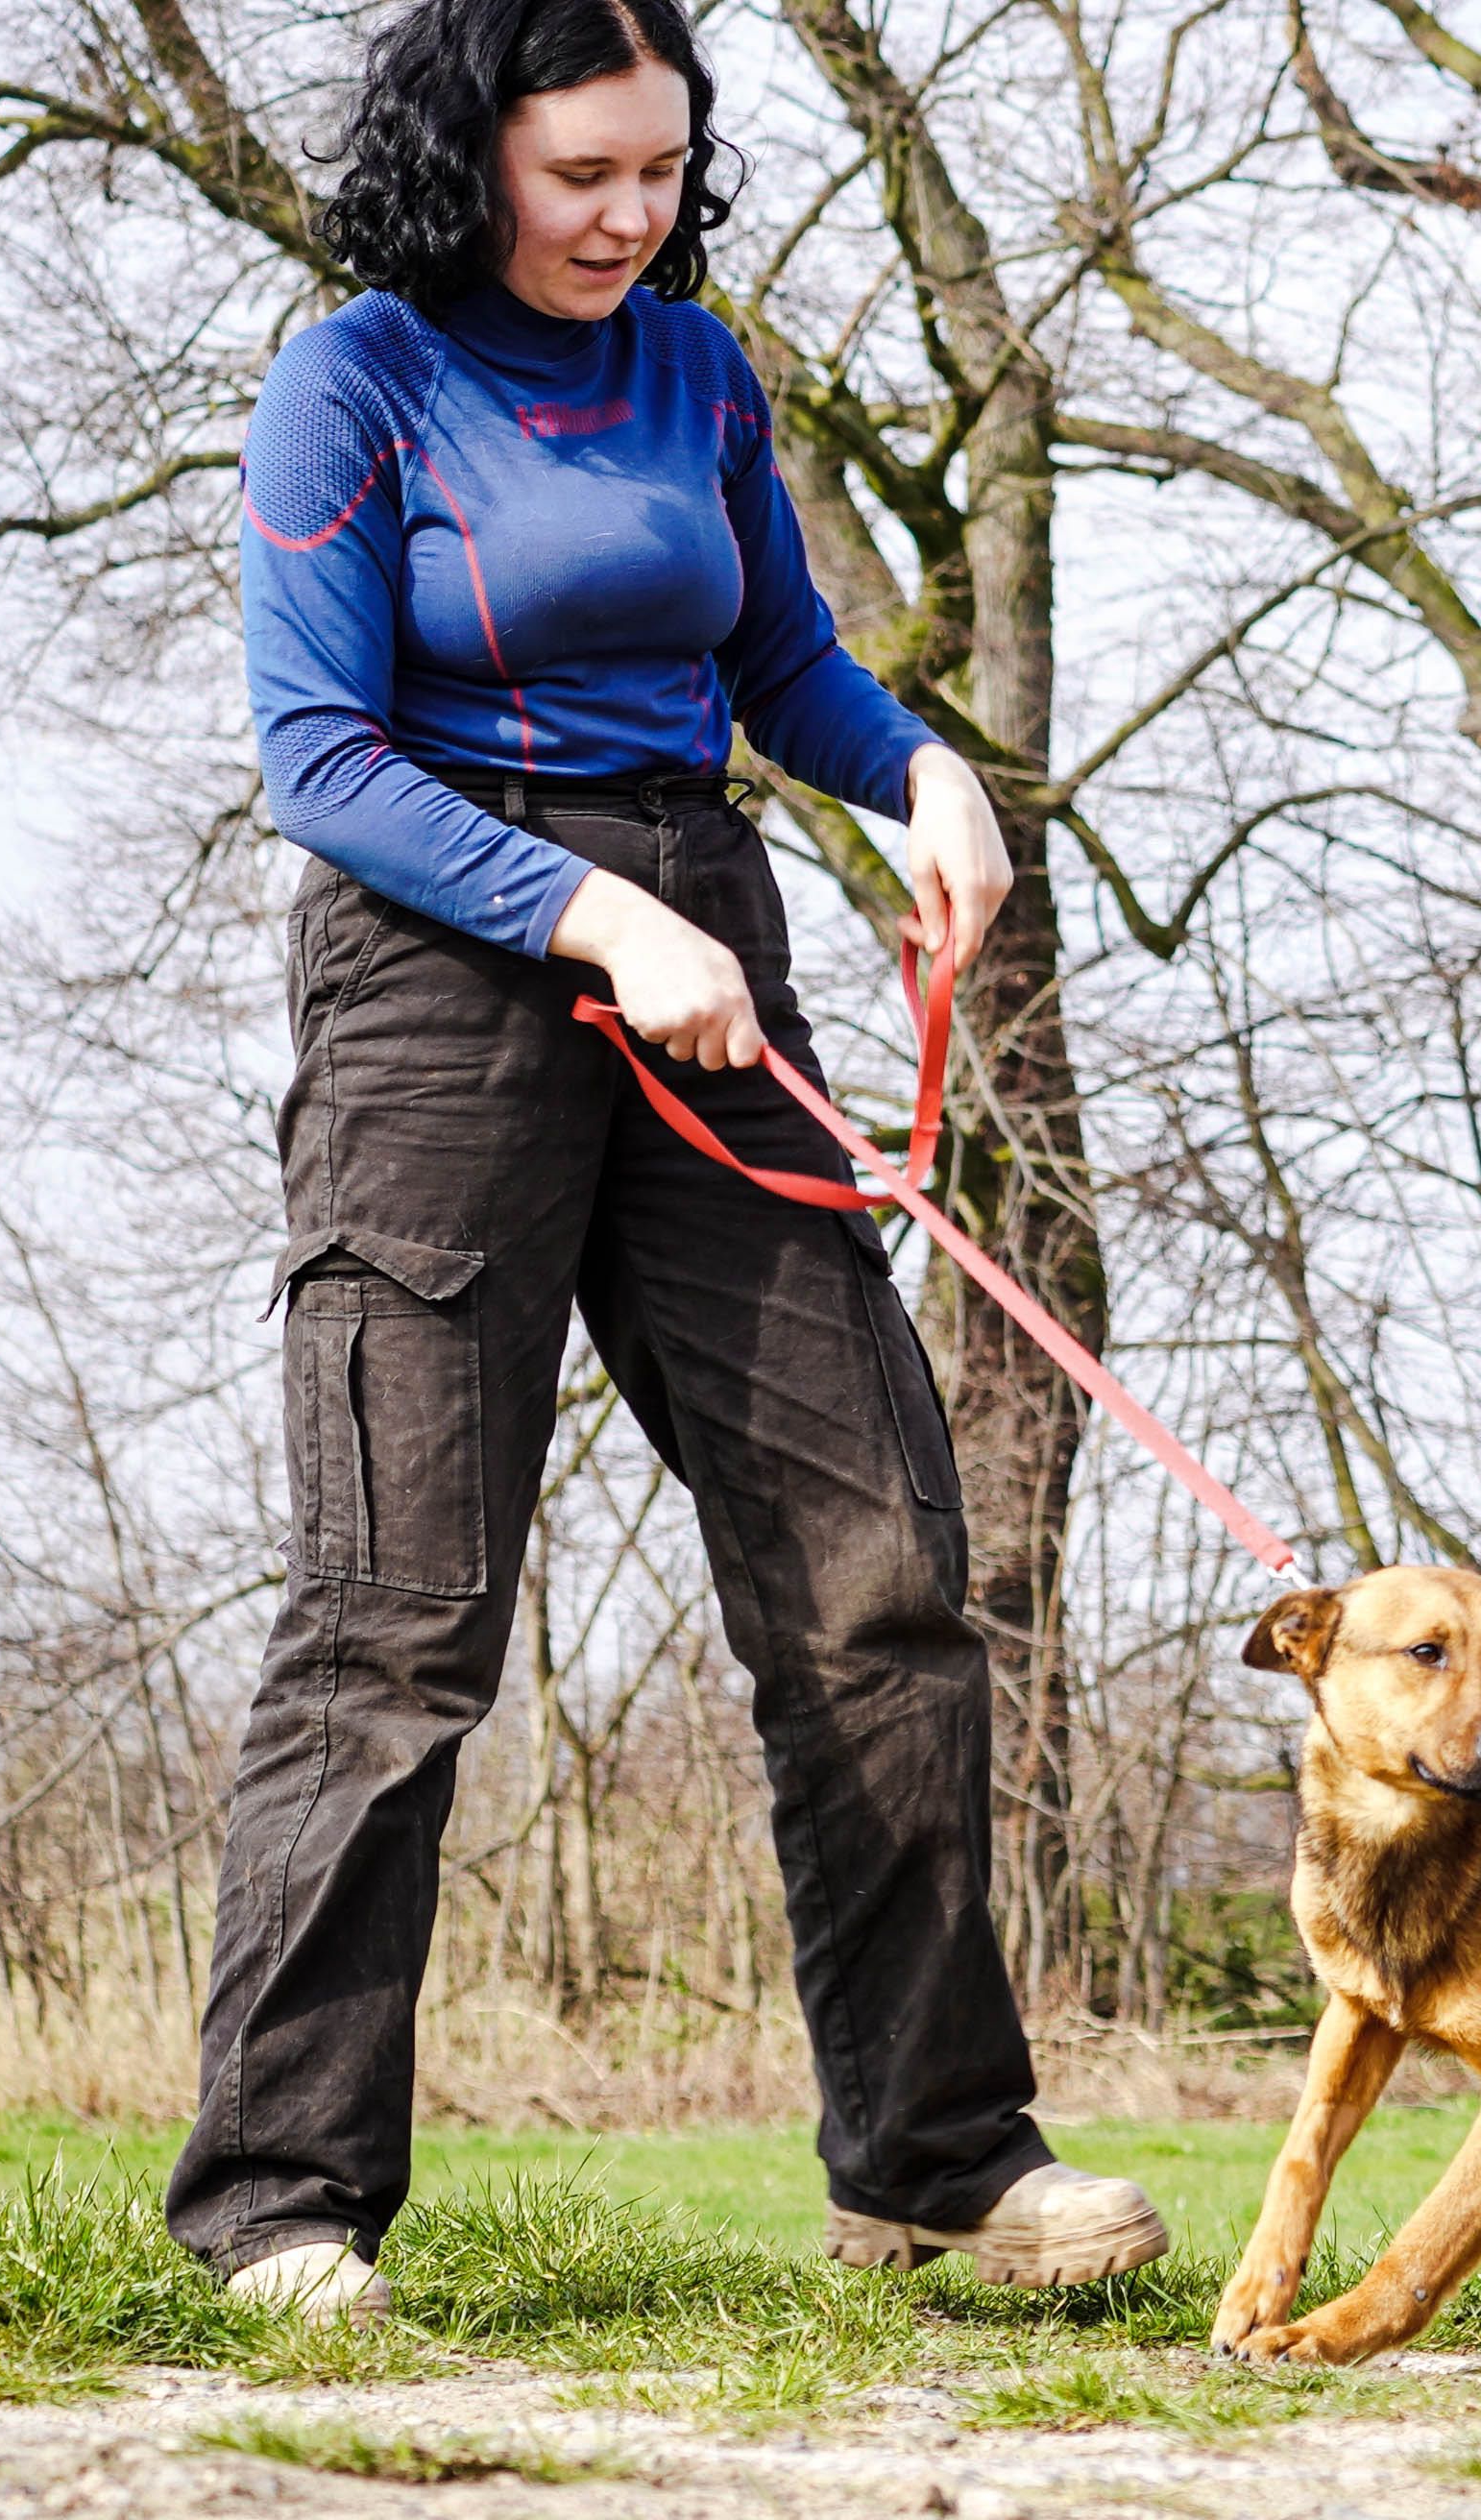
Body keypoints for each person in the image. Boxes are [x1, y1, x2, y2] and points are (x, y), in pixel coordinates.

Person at [167, 0, 1166, 2322]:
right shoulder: (362, 380)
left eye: (661, 171)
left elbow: (786, 663)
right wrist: (582, 911)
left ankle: (935, 2162)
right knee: (399, 1617)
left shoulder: (701, 375)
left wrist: (914, 772)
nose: (630, 217)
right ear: (475, 153)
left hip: (709, 947)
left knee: (874, 1573)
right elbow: (321, 753)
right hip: (445, 980)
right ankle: (284, 2201)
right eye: (583, 173)